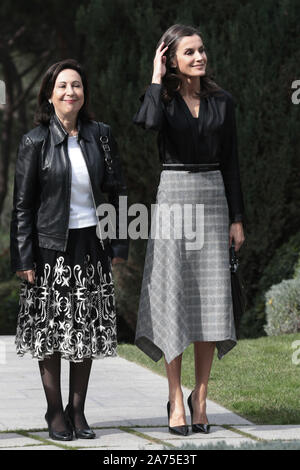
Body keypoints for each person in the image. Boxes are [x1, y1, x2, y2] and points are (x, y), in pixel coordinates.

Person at [133, 24, 245, 435]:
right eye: (189, 52)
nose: (199, 57)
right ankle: (175, 397)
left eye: (202, 50)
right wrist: (155, 79)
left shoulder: (223, 102)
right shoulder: (160, 100)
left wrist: (237, 218)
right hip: (174, 197)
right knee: (174, 296)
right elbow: (145, 124)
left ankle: (201, 397)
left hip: (214, 197)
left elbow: (232, 161)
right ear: (171, 59)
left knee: (210, 300)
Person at [10, 59, 128, 441]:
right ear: (49, 93)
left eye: (76, 85)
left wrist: (119, 242)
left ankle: (78, 412)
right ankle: (54, 411)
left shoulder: (101, 135)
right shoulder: (34, 141)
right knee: (52, 333)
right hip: (49, 250)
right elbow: (23, 206)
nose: (70, 92)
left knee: (85, 331)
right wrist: (23, 257)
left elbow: (117, 192)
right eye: (62, 86)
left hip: (90, 247)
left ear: (84, 93)